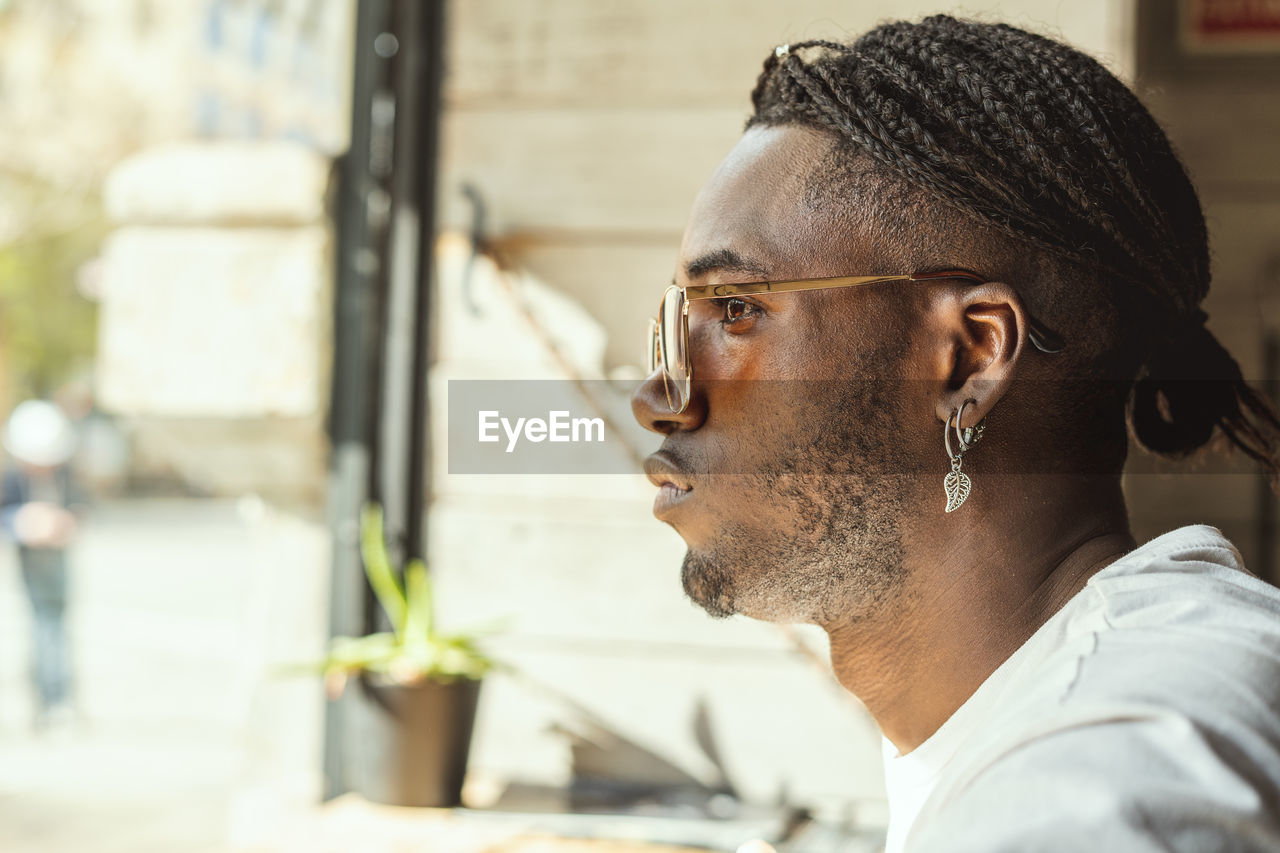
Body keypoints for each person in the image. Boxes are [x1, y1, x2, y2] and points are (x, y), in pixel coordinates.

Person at [631, 16, 1280, 852]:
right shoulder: (1108, 693)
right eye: (678, 322)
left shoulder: (1103, 772)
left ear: (972, 356)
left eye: (736, 310)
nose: (660, 395)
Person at [1, 400, 85, 730]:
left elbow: (83, 507)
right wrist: (21, 523)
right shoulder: (11, 480)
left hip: (58, 558)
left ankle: (60, 698)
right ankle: (47, 698)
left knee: (57, 626)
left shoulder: (66, 477)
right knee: (43, 627)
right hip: (30, 559)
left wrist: (66, 522)